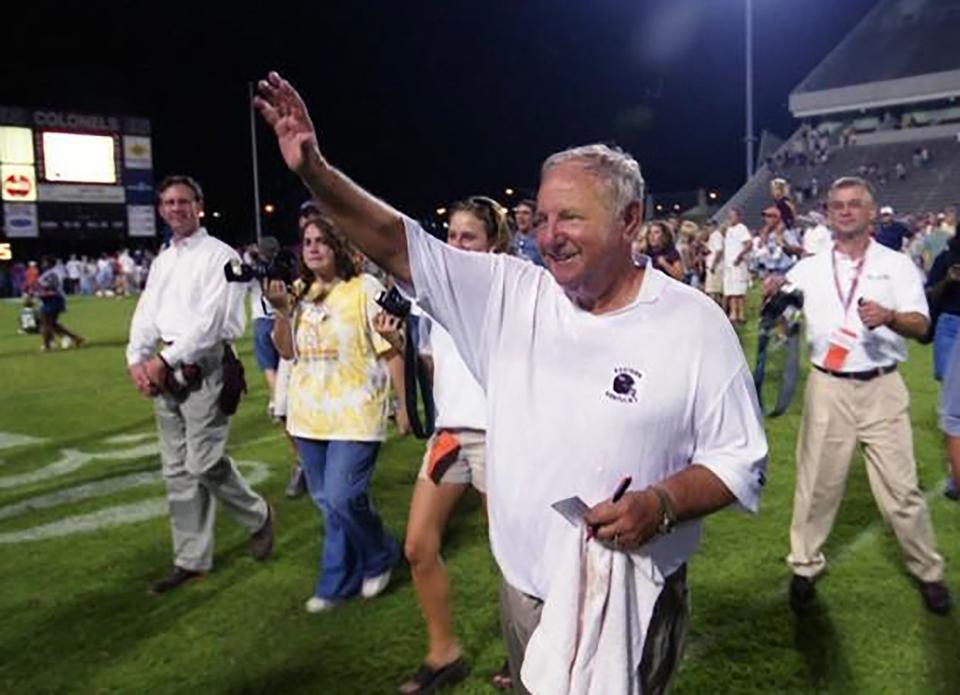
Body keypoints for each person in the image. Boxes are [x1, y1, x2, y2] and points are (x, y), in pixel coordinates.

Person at [256, 72, 768, 693]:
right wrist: (315, 171)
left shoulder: (693, 325)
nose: (548, 235)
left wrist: (659, 506)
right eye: (543, 217)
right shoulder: (508, 293)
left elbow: (739, 461)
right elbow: (396, 241)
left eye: (570, 217)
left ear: (630, 219)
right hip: (525, 591)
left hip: (635, 595)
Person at [765, 176, 950, 616]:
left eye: (854, 205)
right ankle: (804, 566)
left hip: (882, 387)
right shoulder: (808, 267)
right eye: (837, 205)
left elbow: (922, 326)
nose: (845, 211)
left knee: (902, 490)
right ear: (829, 214)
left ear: (871, 212)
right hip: (828, 385)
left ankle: (928, 572)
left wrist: (888, 317)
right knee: (816, 486)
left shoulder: (898, 264)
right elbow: (783, 319)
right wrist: (775, 294)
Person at [375, 196, 508, 694]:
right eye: (450, 235)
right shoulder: (435, 294)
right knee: (417, 546)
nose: (455, 245)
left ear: (492, 242)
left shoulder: (500, 284)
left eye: (468, 236)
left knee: (513, 556)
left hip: (501, 434)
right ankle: (443, 652)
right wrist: (399, 347)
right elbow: (434, 364)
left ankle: (532, 653)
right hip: (451, 431)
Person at [126, 175, 274, 594]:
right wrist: (136, 358)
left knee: (203, 462)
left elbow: (213, 324)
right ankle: (190, 559)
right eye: (169, 202)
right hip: (165, 363)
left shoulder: (220, 256)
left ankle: (257, 514)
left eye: (184, 201)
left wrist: (163, 360)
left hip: (204, 365)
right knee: (176, 470)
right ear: (160, 209)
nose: (176, 208)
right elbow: (147, 310)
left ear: (199, 206)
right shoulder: (164, 258)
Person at [266, 215, 403, 613]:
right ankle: (337, 581)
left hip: (356, 409)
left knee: (344, 498)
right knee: (328, 503)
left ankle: (379, 553)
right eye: (307, 240)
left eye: (322, 240)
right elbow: (287, 351)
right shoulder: (298, 292)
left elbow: (389, 347)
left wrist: (402, 403)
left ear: (339, 245)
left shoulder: (365, 288)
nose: (312, 247)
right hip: (309, 412)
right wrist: (279, 312)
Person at [36, 256, 85, 351]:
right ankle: (76, 338)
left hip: (52, 300)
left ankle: (47, 345)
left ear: (49, 263)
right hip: (51, 300)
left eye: (44, 262)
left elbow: (51, 287)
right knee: (52, 324)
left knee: (45, 323)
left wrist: (40, 292)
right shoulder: (49, 273)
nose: (42, 264)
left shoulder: (51, 274)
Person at [722, 207, 753, 324]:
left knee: (739, 291)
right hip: (728, 265)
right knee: (731, 291)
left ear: (738, 217)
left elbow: (749, 244)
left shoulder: (742, 228)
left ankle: (741, 314)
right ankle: (733, 314)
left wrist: (740, 256)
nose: (730, 218)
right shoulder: (728, 229)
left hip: (738, 264)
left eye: (733, 215)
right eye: (729, 215)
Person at [511, 199, 543, 266]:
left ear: (535, 217)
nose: (520, 217)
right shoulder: (511, 240)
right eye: (517, 213)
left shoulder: (541, 241)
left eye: (525, 213)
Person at [704, 219, 724, 305]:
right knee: (713, 290)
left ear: (715, 226)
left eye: (710, 226)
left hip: (715, 267)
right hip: (712, 266)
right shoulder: (713, 236)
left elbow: (719, 251)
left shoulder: (716, 235)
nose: (708, 228)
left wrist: (713, 265)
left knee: (714, 291)